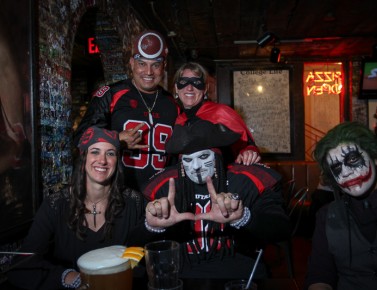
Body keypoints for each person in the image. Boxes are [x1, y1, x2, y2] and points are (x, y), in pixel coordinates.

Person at [7, 127, 155, 290]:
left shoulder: (133, 201)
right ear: (83, 157)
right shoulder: (56, 205)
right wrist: (71, 278)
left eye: (110, 153)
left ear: (117, 160)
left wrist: (156, 226)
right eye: (95, 152)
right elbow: (21, 267)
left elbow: (147, 256)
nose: (102, 160)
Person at [143, 119, 291, 279]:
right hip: (181, 274)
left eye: (204, 156)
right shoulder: (165, 186)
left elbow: (282, 229)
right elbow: (129, 242)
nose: (196, 166)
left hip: (240, 273)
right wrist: (151, 226)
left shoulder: (246, 181)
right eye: (188, 160)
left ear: (218, 157)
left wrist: (244, 217)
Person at [73, 30, 179, 191]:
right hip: (119, 193)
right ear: (131, 63)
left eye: (155, 65)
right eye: (142, 63)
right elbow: (80, 139)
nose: (149, 72)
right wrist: (117, 140)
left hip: (160, 194)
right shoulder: (111, 94)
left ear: (163, 66)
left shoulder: (172, 103)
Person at [304, 122, 377, 290]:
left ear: (375, 157)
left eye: (353, 159)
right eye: (336, 167)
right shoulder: (327, 216)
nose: (346, 172)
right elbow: (319, 276)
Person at [173, 62, 260, 165]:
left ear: (205, 89)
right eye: (184, 82)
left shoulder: (221, 113)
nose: (189, 88)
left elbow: (247, 144)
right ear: (176, 88)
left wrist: (248, 152)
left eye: (196, 83)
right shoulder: (178, 119)